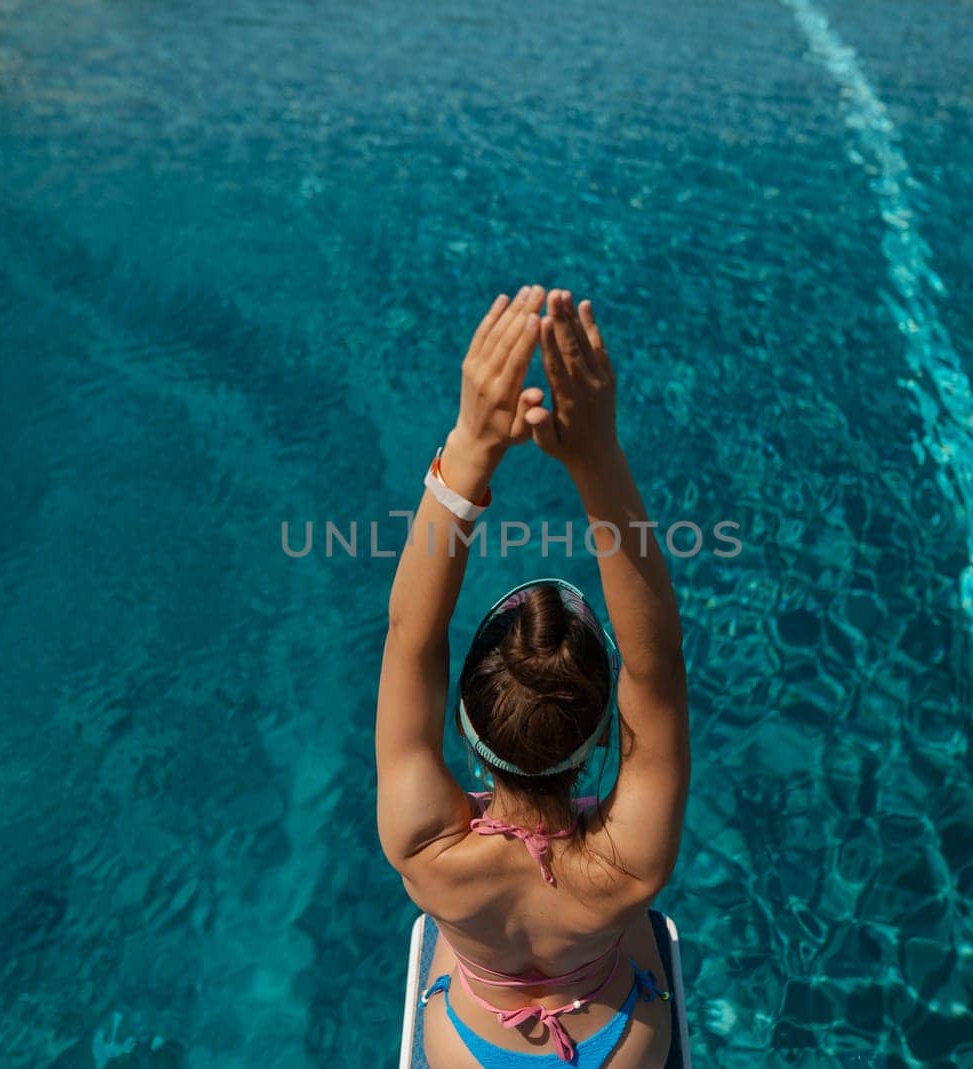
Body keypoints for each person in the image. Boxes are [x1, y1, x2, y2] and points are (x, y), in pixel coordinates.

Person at [377, 285, 691, 1068]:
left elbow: (412, 636)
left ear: (466, 725)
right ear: (596, 738)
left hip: (472, 1050)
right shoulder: (629, 859)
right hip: (618, 1049)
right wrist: (598, 460)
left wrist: (469, 451)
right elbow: (655, 667)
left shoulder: (422, 842)